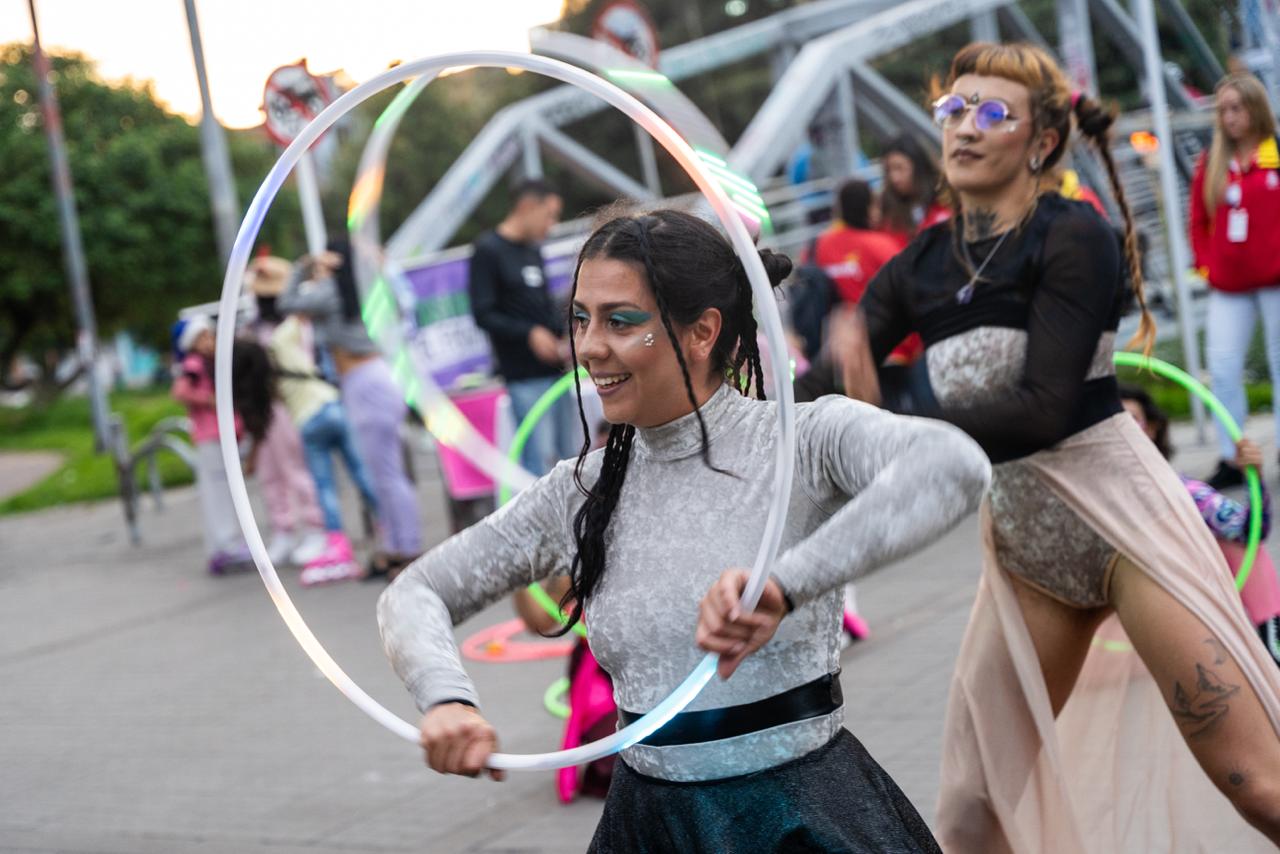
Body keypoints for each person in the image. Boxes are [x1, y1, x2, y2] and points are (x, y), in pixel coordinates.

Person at [378, 209, 990, 852]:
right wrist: (446, 698)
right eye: (580, 318)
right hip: (649, 827)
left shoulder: (800, 441)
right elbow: (415, 591)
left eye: (620, 321)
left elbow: (953, 466)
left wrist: (783, 586)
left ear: (702, 332)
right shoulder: (581, 490)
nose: (588, 347)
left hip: (803, 820)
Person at [802, 41, 1280, 851]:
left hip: (1126, 528)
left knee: (1255, 781)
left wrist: (893, 412)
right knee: (971, 811)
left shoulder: (1073, 235)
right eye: (954, 108)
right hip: (1025, 550)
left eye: (993, 112)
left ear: (1042, 141)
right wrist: (744, 385)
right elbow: (825, 389)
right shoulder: (919, 266)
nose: (965, 126)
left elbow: (1045, 407)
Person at [273, 242, 424, 577]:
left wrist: (304, 266)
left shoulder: (332, 291)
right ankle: (397, 547)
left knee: (387, 474)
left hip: (366, 382)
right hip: (372, 379)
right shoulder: (363, 288)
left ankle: (409, 549)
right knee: (382, 474)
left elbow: (287, 302)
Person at [1120, 384, 1280, 669]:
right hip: (1123, 617)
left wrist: (1253, 478)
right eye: (1112, 425)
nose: (1121, 432)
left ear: (1152, 428)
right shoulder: (1079, 498)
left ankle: (1273, 638)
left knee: (1241, 546)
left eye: (1131, 420)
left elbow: (1250, 530)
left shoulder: (1182, 491)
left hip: (1182, 610)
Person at [1190, 72, 1280, 488]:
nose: (1229, 117)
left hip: (1275, 281)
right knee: (1223, 368)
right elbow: (1198, 220)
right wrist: (1206, 265)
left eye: (1236, 108)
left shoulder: (1275, 152)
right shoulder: (1212, 162)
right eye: (1223, 110)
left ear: (1255, 108)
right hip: (1229, 285)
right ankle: (1234, 456)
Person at [468, 179, 580, 477]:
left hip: (555, 372)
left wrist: (564, 335)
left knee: (571, 456)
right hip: (523, 376)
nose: (551, 224)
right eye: (549, 214)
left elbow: (541, 304)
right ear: (527, 206)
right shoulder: (488, 251)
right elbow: (483, 313)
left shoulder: (532, 250)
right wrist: (529, 333)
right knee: (538, 462)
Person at [268, 311, 380, 586]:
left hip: (310, 419)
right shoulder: (302, 345)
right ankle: (388, 524)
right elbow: (300, 317)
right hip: (332, 404)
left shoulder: (278, 345)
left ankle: (337, 543)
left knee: (325, 485)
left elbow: (295, 315)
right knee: (361, 472)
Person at [242, 256, 327, 568]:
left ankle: (315, 527)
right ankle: (283, 529)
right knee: (270, 472)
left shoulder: (295, 326)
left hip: (290, 404)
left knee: (296, 469)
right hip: (263, 408)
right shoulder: (253, 329)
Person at [171, 315, 252, 575]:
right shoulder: (194, 365)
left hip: (223, 434)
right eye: (202, 337)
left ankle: (226, 543)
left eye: (210, 335)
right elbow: (180, 391)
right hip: (211, 435)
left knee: (226, 489)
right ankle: (225, 544)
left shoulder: (211, 362)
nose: (209, 341)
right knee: (218, 490)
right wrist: (208, 399)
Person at [878, 134, 951, 248]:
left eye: (899, 168)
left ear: (918, 167)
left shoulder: (946, 200)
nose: (894, 178)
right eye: (888, 170)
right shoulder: (887, 214)